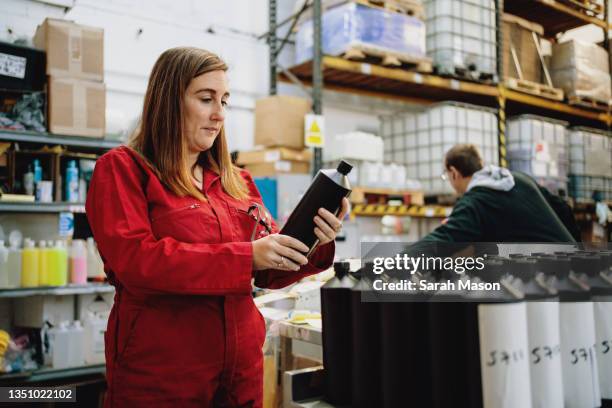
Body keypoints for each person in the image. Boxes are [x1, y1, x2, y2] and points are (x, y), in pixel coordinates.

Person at [86, 47, 349, 407]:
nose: (219, 114)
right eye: (206, 99)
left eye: (224, 101)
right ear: (169, 101)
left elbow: (268, 271)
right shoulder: (123, 169)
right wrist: (247, 257)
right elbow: (137, 261)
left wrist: (315, 241)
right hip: (164, 375)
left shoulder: (236, 180)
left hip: (240, 373)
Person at [421, 144, 578, 243]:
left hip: (547, 278)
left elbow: (445, 239)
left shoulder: (474, 201)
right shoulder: (520, 178)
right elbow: (563, 208)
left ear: (454, 173)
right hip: (575, 267)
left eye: (446, 175)